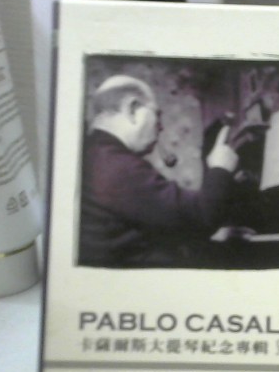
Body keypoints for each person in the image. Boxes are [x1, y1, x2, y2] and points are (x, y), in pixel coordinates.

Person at [78, 74, 239, 267]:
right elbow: (203, 217)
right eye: (157, 114)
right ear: (133, 109)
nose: (161, 126)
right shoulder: (116, 165)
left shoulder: (97, 154)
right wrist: (221, 168)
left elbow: (148, 232)